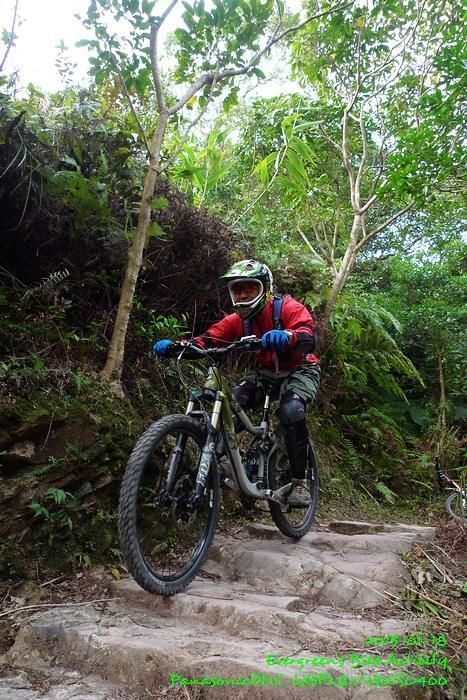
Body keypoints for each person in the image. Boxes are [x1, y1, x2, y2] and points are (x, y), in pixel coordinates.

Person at [153, 259, 320, 488]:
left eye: (249, 288)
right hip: (266, 373)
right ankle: (225, 461)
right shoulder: (237, 321)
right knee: (233, 400)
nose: (242, 295)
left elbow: (308, 336)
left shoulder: (288, 308)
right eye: (237, 289)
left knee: (291, 411)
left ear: (265, 289)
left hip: (301, 369)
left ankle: (300, 481)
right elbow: (208, 339)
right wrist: (178, 347)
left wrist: (289, 336)